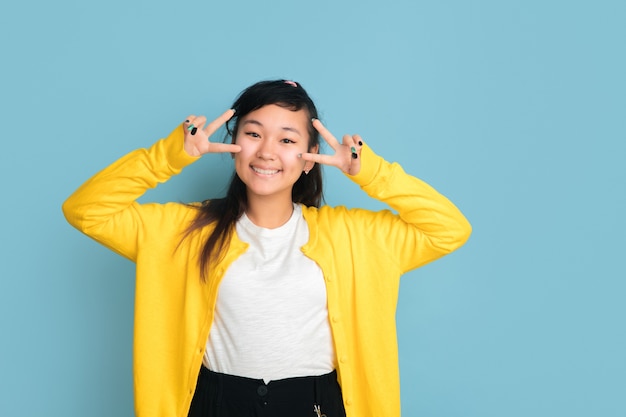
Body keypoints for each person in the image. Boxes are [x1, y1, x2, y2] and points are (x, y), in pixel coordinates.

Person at [63, 79, 471, 417]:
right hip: (214, 402)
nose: (267, 151)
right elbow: (85, 211)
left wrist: (371, 172)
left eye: (287, 139)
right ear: (234, 143)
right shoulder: (180, 229)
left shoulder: (355, 235)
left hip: (315, 403)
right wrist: (168, 157)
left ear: (310, 158)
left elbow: (448, 229)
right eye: (253, 133)